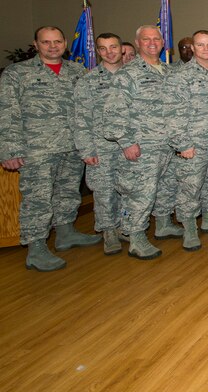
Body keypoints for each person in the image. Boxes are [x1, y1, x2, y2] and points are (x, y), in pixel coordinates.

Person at [0, 26, 94, 271]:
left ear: (65, 43)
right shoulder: (17, 73)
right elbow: (7, 113)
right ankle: (36, 248)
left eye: (57, 41)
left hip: (72, 146)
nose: (52, 46)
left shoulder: (77, 71)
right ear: (36, 44)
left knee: (68, 192)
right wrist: (9, 149)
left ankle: (66, 233)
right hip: (36, 149)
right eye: (46, 42)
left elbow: (86, 110)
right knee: (37, 200)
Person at [104, 25, 180, 260]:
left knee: (164, 189)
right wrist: (126, 142)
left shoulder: (168, 72)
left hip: (168, 145)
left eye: (156, 38)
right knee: (141, 192)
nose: (151, 43)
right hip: (142, 146)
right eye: (146, 39)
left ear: (163, 41)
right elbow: (113, 113)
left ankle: (163, 224)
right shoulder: (128, 74)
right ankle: (135, 237)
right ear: (137, 43)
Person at [167, 30, 208, 252]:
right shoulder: (180, 76)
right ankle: (189, 228)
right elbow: (173, 113)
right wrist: (183, 144)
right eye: (200, 45)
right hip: (193, 142)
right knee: (190, 187)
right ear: (193, 48)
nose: (206, 48)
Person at [71, 32, 125, 255]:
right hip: (100, 146)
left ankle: (123, 225)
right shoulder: (88, 81)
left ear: (122, 49)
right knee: (104, 191)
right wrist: (86, 149)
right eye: (103, 48)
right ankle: (108, 231)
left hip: (129, 146)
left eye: (113, 47)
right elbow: (80, 118)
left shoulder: (132, 76)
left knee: (127, 189)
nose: (109, 52)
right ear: (98, 52)